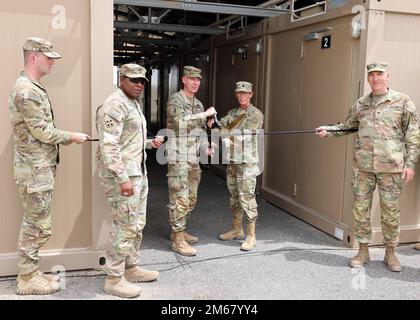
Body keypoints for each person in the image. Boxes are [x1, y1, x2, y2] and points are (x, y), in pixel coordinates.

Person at [316, 61, 420, 272]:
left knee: (390, 212)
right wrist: (328, 130)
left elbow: (413, 134)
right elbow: (348, 126)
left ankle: (390, 253)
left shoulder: (402, 101)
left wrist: (410, 164)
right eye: (371, 75)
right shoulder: (361, 104)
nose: (375, 78)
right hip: (363, 168)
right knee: (361, 211)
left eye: (379, 74)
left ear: (387, 76)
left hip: (391, 169)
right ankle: (363, 250)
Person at [9, 37, 91, 295]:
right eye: (48, 56)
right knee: (35, 223)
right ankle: (26, 278)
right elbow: (43, 131)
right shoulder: (27, 90)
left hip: (37, 168)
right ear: (33, 57)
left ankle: (31, 271)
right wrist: (72, 137)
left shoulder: (33, 86)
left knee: (37, 220)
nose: (52, 61)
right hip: (34, 170)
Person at [96, 63, 163, 298]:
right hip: (122, 177)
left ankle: (131, 267)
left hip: (137, 173)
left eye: (142, 81)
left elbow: (127, 140)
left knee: (137, 224)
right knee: (124, 225)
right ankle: (114, 279)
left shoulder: (132, 103)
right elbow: (109, 146)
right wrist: (123, 179)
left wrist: (149, 143)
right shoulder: (114, 105)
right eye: (134, 80)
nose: (139, 84)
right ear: (121, 79)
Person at [166, 66, 216, 256]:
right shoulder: (175, 100)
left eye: (198, 80)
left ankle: (178, 230)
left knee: (191, 198)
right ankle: (178, 240)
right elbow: (180, 122)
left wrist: (206, 147)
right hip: (178, 156)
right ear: (184, 80)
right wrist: (204, 115)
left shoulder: (199, 104)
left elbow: (200, 130)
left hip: (193, 157)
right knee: (180, 198)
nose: (196, 82)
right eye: (192, 79)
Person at [207, 81, 264, 251]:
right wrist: (212, 123)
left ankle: (251, 235)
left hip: (246, 163)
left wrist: (219, 128)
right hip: (232, 162)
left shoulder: (256, 115)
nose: (242, 96)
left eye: (245, 93)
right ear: (236, 94)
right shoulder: (233, 113)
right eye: (239, 93)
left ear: (251, 94)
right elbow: (219, 128)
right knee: (234, 198)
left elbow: (241, 136)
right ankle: (237, 229)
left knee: (247, 199)